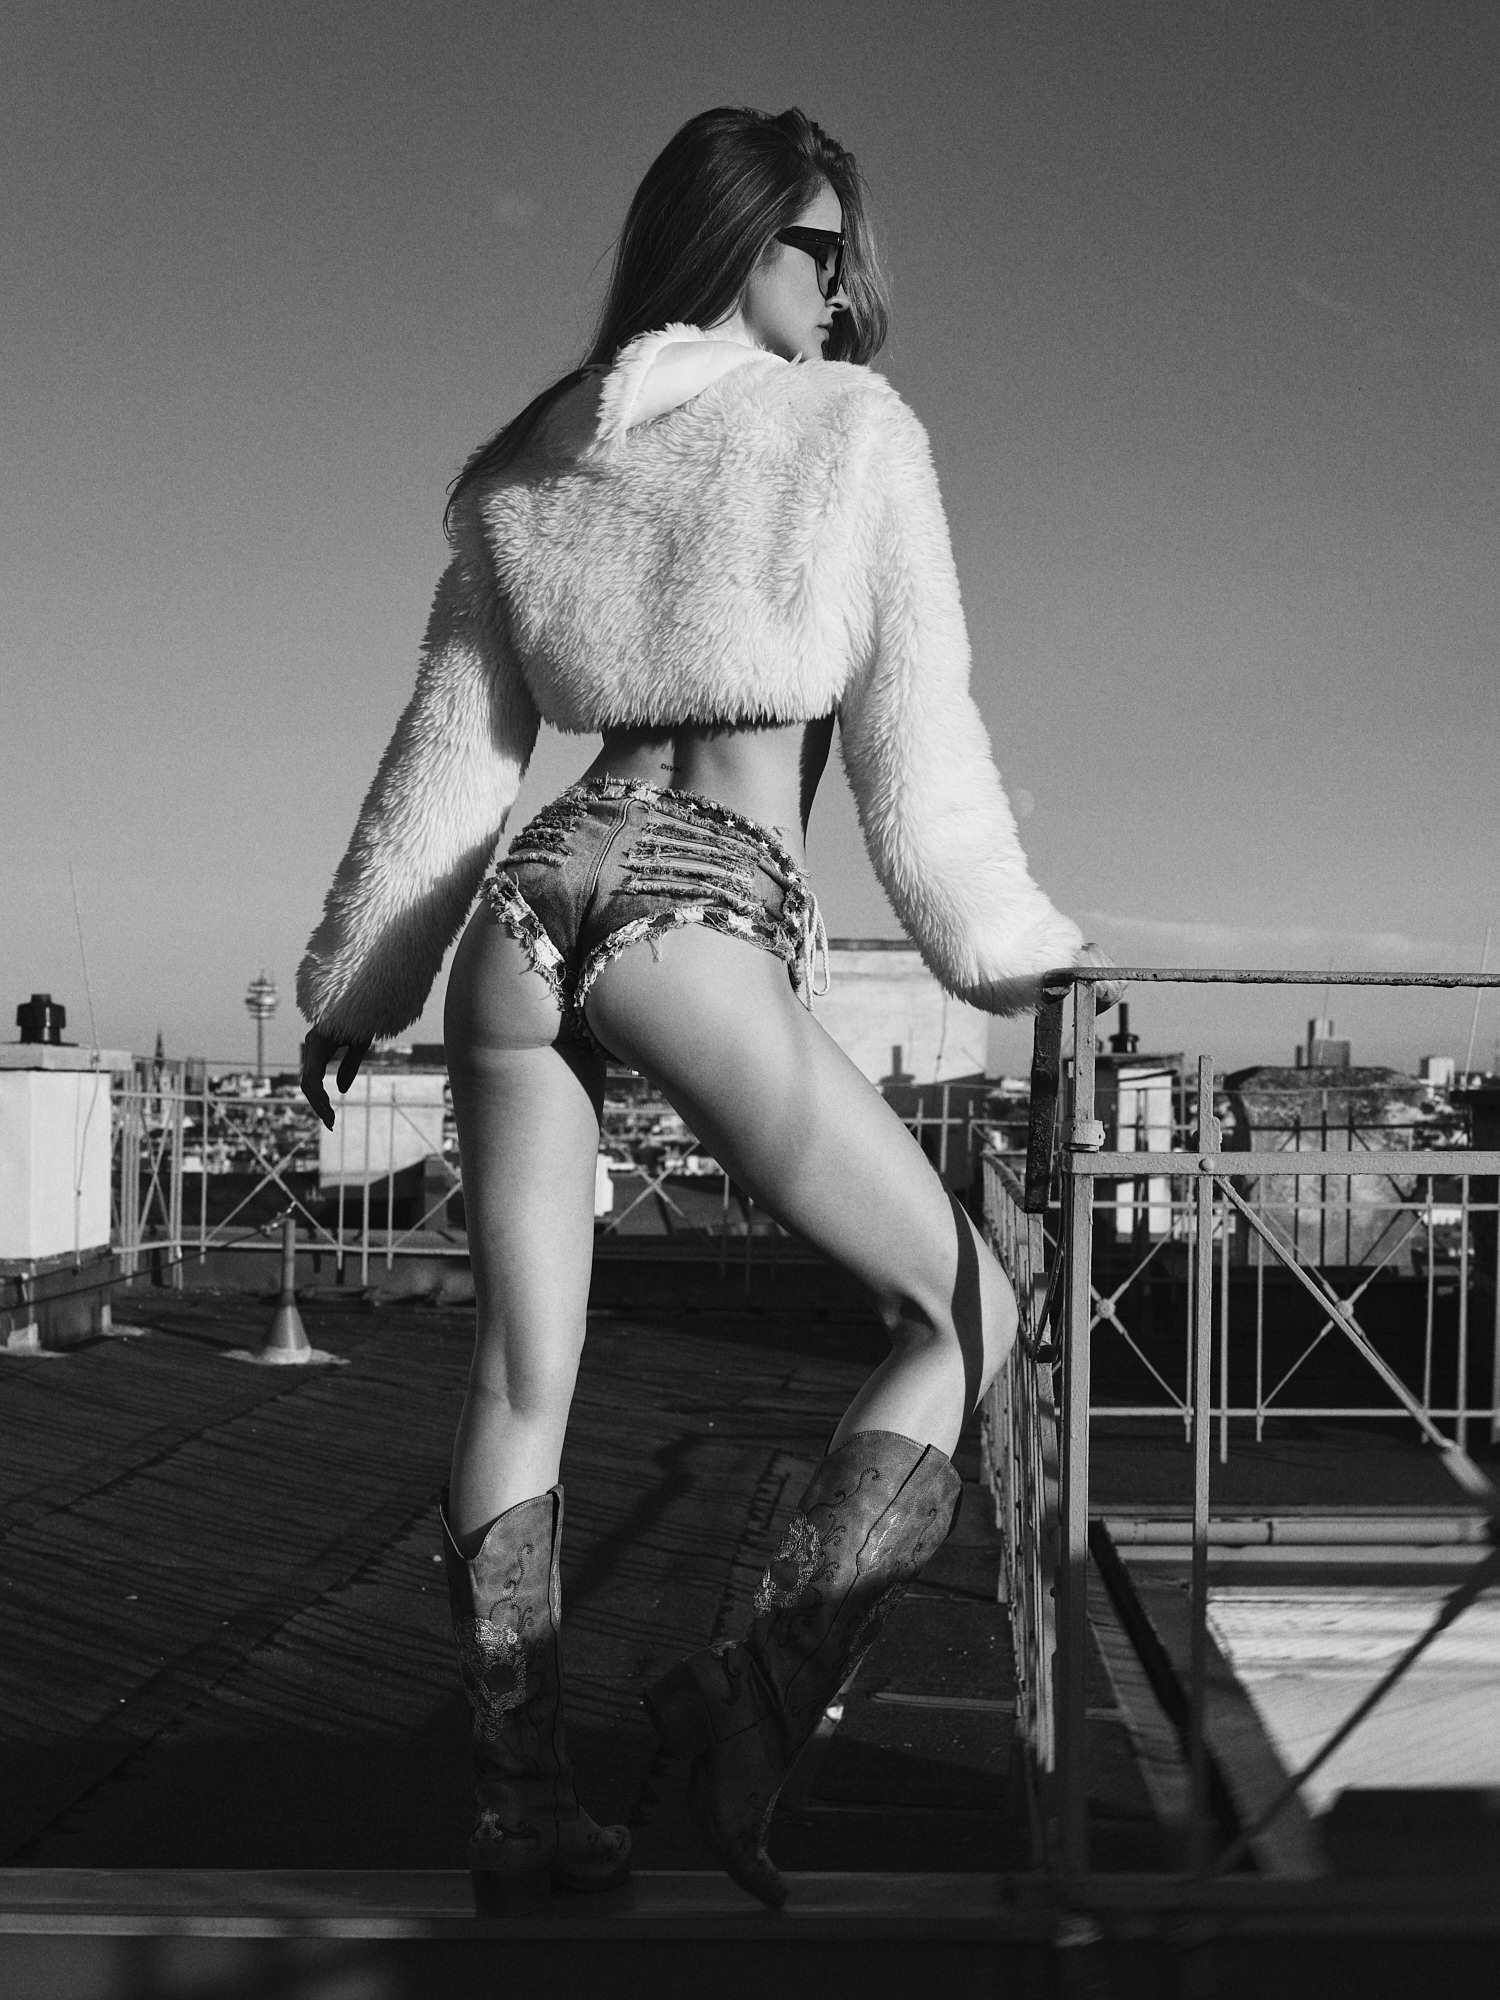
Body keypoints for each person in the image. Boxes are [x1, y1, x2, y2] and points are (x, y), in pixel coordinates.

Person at [298, 105, 1115, 1913]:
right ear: (738, 245)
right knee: (973, 1307)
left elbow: (453, 753)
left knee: (519, 1379)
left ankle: (524, 1810)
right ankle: (749, 1706)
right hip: (698, 902)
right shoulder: (850, 431)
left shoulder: (534, 461)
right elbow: (919, 740)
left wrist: (357, 986)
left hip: (528, 908)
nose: (852, 289)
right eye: (825, 251)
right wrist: (1008, 950)